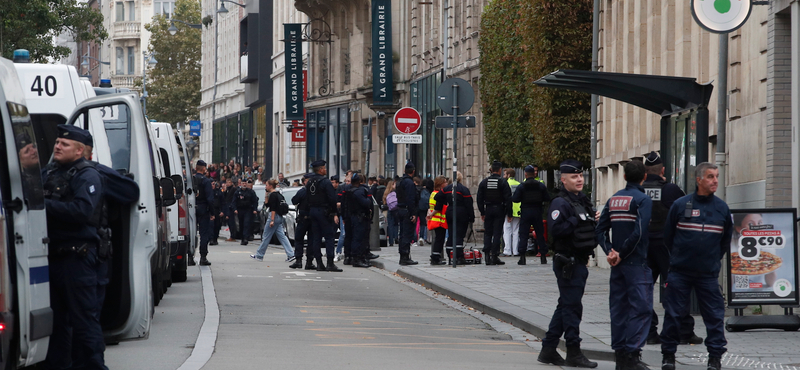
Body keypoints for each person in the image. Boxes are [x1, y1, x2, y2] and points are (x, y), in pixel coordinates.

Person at [42, 125, 108, 369]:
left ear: (80, 151)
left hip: (78, 259)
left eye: (64, 144)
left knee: (84, 321)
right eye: (57, 142)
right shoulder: (49, 173)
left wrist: (42, 205)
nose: (58, 146)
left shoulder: (87, 176)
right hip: (52, 257)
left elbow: (82, 211)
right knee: (56, 324)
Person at [660, 162, 732, 370]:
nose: (715, 180)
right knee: (673, 314)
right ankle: (668, 356)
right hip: (680, 272)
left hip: (707, 274)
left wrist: (711, 260)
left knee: (715, 316)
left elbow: (725, 241)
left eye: (717, 176)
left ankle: (715, 358)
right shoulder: (681, 205)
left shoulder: (721, 208)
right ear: (698, 180)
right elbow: (668, 237)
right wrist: (679, 258)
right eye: (710, 176)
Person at [537, 159, 597, 368]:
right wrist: (577, 220)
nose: (579, 179)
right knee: (572, 308)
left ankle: (548, 349)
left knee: (566, 305)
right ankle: (573, 352)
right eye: (574, 176)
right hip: (567, 262)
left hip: (579, 260)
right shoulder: (560, 203)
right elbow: (555, 231)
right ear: (563, 180)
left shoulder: (582, 200)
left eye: (580, 175)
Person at [596, 160, 653, 370]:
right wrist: (622, 253)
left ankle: (620, 356)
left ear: (624, 176)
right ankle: (632, 354)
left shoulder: (614, 199)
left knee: (619, 309)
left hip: (616, 265)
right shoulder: (642, 200)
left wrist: (610, 251)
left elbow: (600, 230)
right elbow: (639, 232)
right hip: (636, 263)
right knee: (642, 308)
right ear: (644, 177)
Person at [641, 151, 701, 346]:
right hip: (667, 247)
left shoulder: (638, 190)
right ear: (662, 170)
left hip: (643, 246)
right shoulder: (671, 190)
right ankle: (683, 331)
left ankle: (649, 332)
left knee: (643, 289)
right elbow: (688, 214)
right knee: (677, 288)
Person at [305, 160, 342, 271]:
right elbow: (332, 198)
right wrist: (334, 212)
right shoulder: (325, 182)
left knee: (316, 237)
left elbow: (307, 197)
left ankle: (319, 263)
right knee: (329, 237)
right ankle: (330, 263)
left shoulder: (310, 182)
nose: (326, 170)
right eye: (324, 168)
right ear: (320, 169)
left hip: (313, 211)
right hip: (324, 212)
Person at [434, 171, 474, 265]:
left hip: (450, 212)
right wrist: (471, 217)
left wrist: (447, 201)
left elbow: (437, 196)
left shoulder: (447, 188)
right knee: (459, 235)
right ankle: (459, 257)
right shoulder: (463, 189)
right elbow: (469, 204)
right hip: (461, 213)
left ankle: (450, 255)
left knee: (451, 234)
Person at [513, 164, 551, 265]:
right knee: (540, 234)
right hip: (537, 211)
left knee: (523, 234)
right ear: (534, 173)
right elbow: (547, 198)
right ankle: (543, 256)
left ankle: (522, 257)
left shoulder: (522, 186)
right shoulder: (540, 185)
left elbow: (515, 199)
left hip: (525, 211)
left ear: (525, 174)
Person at [477, 160, 513, 265]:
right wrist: (509, 213)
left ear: (492, 170)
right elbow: (508, 199)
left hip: (488, 209)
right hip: (499, 209)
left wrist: (482, 212)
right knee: (497, 233)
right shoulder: (502, 182)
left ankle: (487, 255)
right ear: (500, 170)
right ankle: (495, 256)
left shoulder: (484, 182)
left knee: (488, 233)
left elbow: (479, 198)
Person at [251, 179, 295, 262]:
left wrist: (272, 220)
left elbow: (273, 209)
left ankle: (259, 255)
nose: (266, 187)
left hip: (274, 216)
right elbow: (267, 204)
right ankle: (291, 254)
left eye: (267, 185)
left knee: (266, 236)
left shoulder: (273, 195)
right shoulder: (278, 194)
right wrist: (266, 195)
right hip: (279, 217)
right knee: (282, 236)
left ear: (271, 186)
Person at [343, 173, 374, 267]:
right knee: (358, 238)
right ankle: (357, 259)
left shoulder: (349, 190)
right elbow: (366, 203)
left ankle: (354, 257)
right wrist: (368, 197)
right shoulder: (358, 192)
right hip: (359, 217)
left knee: (354, 238)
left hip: (353, 216)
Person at [289, 174, 318, 269]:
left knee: (299, 239)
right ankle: (309, 262)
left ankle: (299, 261)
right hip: (313, 218)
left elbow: (294, 201)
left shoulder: (303, 191)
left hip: (304, 218)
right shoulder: (316, 191)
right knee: (311, 240)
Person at [395, 162, 420, 265]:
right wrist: (413, 213)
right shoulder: (409, 183)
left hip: (400, 209)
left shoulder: (400, 182)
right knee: (407, 234)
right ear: (413, 171)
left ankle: (403, 255)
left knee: (402, 233)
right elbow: (411, 199)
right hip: (406, 210)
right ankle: (405, 256)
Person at [193, 160, 214, 266]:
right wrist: (212, 212)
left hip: (192, 208)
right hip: (203, 208)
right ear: (204, 169)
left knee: (191, 233)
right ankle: (203, 257)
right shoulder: (206, 181)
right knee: (204, 234)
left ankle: (189, 255)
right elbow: (210, 198)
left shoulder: (191, 180)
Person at [427, 176, 448, 265]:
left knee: (438, 239)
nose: (447, 184)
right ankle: (436, 257)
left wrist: (429, 214)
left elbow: (430, 206)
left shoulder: (433, 193)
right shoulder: (439, 194)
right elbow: (438, 207)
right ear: (441, 184)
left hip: (435, 220)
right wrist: (431, 214)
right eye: (445, 182)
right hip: (439, 220)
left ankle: (435, 256)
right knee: (440, 239)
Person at [231, 179, 259, 246]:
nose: (244, 184)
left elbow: (255, 201)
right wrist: (235, 209)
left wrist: (255, 209)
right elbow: (234, 201)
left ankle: (246, 237)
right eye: (243, 183)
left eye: (245, 183)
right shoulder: (238, 192)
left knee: (247, 223)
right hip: (240, 210)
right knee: (241, 224)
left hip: (248, 210)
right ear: (240, 184)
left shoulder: (251, 192)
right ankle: (242, 238)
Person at [503, 168, 522, 256]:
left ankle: (507, 250)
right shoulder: (518, 184)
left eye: (505, 174)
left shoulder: (505, 184)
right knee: (516, 231)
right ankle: (515, 251)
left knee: (507, 230)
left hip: (508, 210)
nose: (503, 176)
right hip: (518, 210)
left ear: (509, 175)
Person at [418, 178, 433, 245]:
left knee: (422, 223)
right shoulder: (430, 191)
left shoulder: (420, 190)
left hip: (420, 208)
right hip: (428, 208)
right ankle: (427, 238)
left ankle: (421, 237)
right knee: (427, 222)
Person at [383, 180, 399, 246]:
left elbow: (384, 202)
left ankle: (391, 241)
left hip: (390, 210)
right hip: (396, 209)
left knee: (390, 225)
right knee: (396, 224)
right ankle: (396, 238)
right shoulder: (396, 192)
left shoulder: (386, 193)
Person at [211, 181, 224, 245]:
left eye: (213, 184)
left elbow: (223, 202)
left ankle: (215, 238)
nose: (212, 185)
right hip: (210, 210)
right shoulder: (208, 192)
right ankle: (211, 239)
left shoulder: (219, 192)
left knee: (217, 225)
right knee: (210, 226)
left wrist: (222, 211)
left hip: (217, 210)